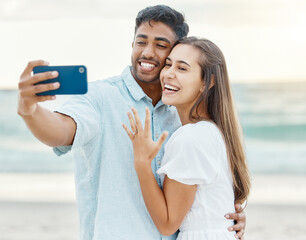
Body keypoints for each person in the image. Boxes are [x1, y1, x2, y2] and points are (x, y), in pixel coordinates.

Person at [17, 5, 246, 240]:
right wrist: (30, 111)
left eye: (160, 45)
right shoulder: (99, 97)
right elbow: (61, 130)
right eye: (141, 42)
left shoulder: (183, 115)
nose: (147, 52)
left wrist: (221, 221)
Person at [123, 36, 251, 239]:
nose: (168, 74)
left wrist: (142, 163)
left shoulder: (190, 137)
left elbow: (167, 224)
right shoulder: (212, 131)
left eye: (182, 68)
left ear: (207, 82)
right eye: (168, 64)